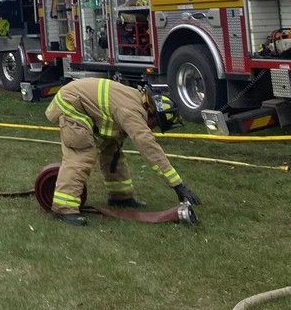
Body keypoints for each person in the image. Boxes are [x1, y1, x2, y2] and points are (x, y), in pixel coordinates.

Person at [45, 78, 200, 226]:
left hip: (81, 102)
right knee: (82, 154)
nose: (153, 128)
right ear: (153, 114)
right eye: (156, 124)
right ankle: (63, 207)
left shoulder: (138, 103)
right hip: (71, 104)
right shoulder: (132, 111)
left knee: (113, 152)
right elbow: (148, 146)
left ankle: (120, 197)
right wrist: (178, 185)